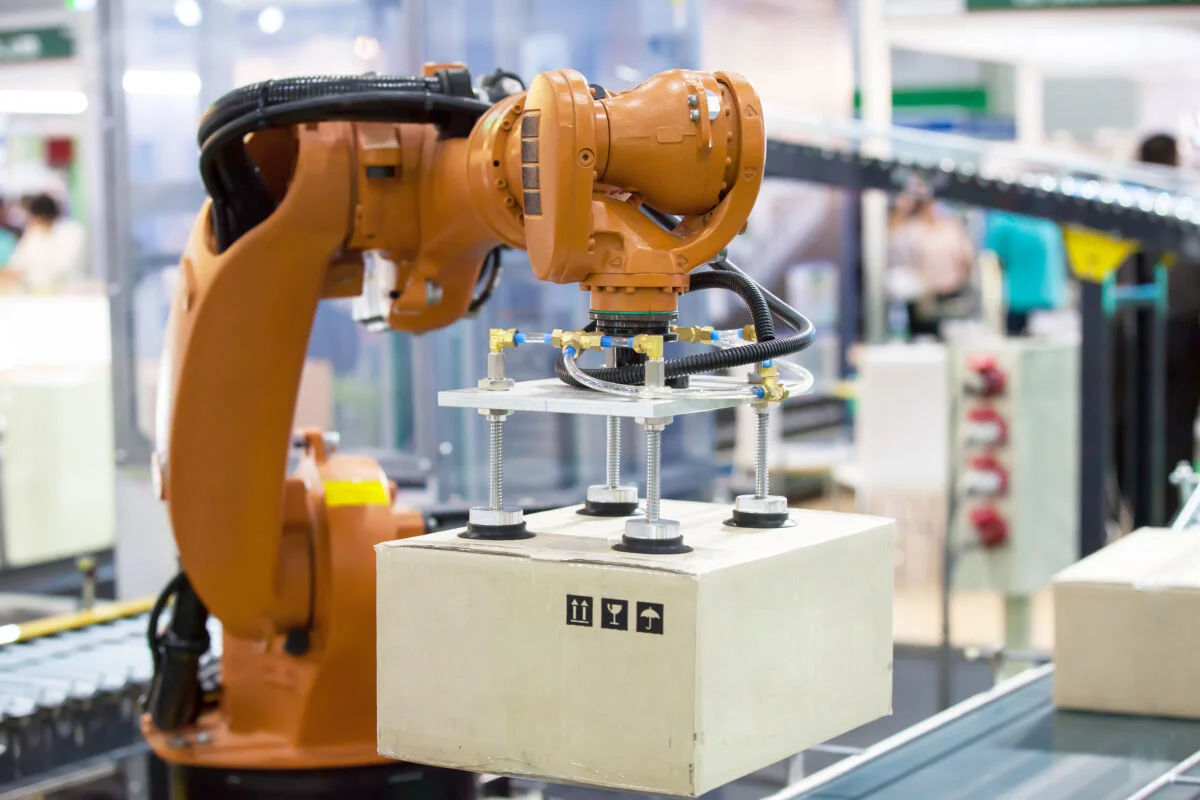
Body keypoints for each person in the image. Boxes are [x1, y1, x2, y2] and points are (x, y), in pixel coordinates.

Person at [1113, 133, 1200, 522]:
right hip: (1175, 333)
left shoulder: (1124, 205)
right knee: (1169, 429)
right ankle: (1162, 512)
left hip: (1144, 335)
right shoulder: (1179, 203)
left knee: (1139, 429)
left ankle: (1152, 512)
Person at [887, 195, 975, 338]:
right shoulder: (912, 229)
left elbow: (967, 261)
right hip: (922, 301)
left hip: (951, 298)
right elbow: (896, 253)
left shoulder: (952, 228)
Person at [983, 211, 1069, 335]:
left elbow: (993, 254)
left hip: (1019, 302)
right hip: (1051, 298)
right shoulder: (1048, 222)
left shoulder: (1004, 222)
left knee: (1016, 347)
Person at [6, 193, 87, 291]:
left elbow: (61, 270)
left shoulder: (70, 233)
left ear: (36, 217)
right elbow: (17, 264)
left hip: (67, 292)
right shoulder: (34, 235)